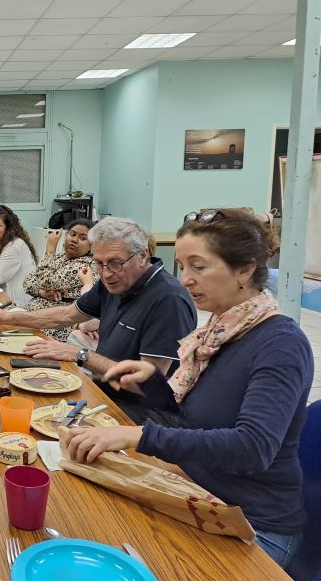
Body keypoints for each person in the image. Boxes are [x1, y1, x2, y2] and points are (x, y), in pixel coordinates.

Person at [62, 209, 311, 570]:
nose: (186, 280)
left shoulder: (280, 344)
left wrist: (137, 435)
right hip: (200, 493)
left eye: (199, 267)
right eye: (183, 267)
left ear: (244, 269)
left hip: (253, 525)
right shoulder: (216, 335)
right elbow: (196, 419)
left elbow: (252, 448)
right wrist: (151, 382)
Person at [0, 216, 196, 423]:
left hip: (140, 417)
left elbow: (145, 384)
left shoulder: (168, 300)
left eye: (115, 263)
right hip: (103, 393)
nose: (106, 273)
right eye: (99, 263)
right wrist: (6, 317)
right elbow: (66, 314)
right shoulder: (114, 282)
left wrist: (80, 355)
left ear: (143, 255)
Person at [22, 219, 97, 340]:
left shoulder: (87, 265)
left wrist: (50, 247)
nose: (74, 239)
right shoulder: (58, 258)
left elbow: (46, 281)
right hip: (34, 319)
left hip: (55, 328)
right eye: (72, 234)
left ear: (91, 246)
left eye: (83, 238)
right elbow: (27, 282)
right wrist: (42, 293)